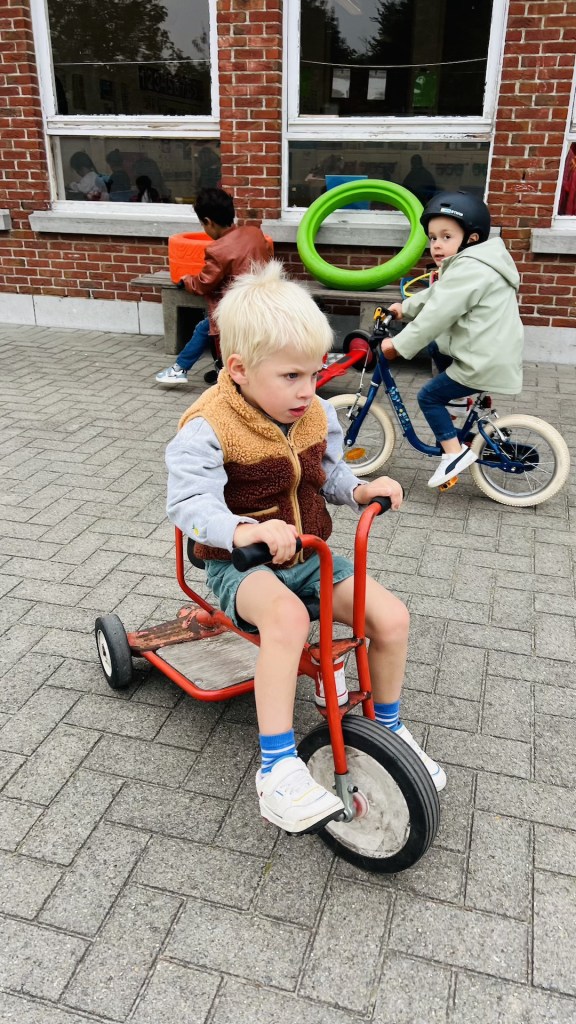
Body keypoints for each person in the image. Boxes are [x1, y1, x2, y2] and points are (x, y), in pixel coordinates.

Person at [165, 261, 446, 835]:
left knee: (390, 617)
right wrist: (241, 531)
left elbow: (329, 474)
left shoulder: (315, 414)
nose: (307, 389)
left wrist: (360, 489)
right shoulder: (208, 424)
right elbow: (188, 502)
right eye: (291, 375)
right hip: (239, 566)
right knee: (289, 619)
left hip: (310, 556)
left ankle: (387, 726)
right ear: (239, 370)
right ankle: (276, 767)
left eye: (315, 372)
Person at [384, 190, 524, 488]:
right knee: (436, 345)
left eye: (446, 237)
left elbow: (438, 313)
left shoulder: (471, 269)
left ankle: (453, 453)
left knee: (428, 396)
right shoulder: (472, 264)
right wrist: (404, 308)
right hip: (488, 353)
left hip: (481, 361)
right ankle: (459, 404)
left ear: (471, 238)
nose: (436, 244)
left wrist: (399, 345)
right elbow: (437, 294)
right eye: (433, 237)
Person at [156, 187, 272, 387]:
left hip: (237, 307)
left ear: (208, 222)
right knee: (209, 328)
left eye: (202, 224)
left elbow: (204, 283)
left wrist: (186, 281)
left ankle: (180, 369)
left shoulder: (218, 249)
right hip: (264, 299)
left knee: (206, 327)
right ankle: (220, 369)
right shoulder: (254, 233)